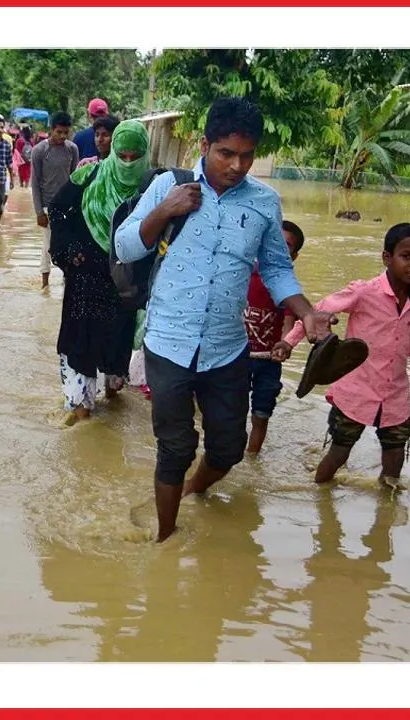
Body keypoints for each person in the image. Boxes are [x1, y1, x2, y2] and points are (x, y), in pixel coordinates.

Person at [113, 97, 335, 543]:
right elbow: (123, 247)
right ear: (204, 144)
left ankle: (194, 490)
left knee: (229, 448)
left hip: (226, 347)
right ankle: (165, 539)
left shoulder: (264, 203)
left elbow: (275, 269)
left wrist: (307, 313)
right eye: (226, 153)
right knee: (175, 447)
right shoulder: (167, 187)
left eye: (247, 155)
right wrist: (165, 210)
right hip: (169, 343)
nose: (237, 165)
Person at [281, 222, 410, 490]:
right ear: (387, 258)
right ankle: (318, 497)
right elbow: (315, 313)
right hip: (356, 392)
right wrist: (288, 343)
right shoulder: (364, 292)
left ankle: (385, 515)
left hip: (394, 395)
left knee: (395, 457)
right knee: (339, 453)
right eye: (407, 256)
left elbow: (406, 339)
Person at [48, 120, 151, 425]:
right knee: (81, 342)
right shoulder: (88, 174)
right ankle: (81, 409)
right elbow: (58, 209)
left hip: (124, 283)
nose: (128, 163)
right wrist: (69, 252)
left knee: (116, 342)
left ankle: (113, 393)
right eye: (123, 156)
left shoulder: (152, 187)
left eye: (135, 157)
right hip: (86, 278)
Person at [244, 220, 306, 455]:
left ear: (294, 255)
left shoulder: (288, 288)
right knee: (230, 410)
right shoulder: (244, 274)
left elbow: (289, 323)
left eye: (287, 246)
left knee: (261, 414)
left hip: (268, 361)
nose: (279, 248)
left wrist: (285, 345)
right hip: (235, 357)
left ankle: (252, 457)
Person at [30, 111, 79, 289]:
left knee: (69, 244)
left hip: (67, 206)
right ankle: (45, 284)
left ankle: (68, 280)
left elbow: (75, 178)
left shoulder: (72, 149)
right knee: (48, 246)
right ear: (51, 130)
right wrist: (38, 212)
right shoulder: (40, 150)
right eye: (59, 132)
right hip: (47, 205)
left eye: (66, 133)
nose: (62, 136)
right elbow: (34, 183)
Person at [0, 120, 14, 223]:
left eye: (1, 127)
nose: (0, 130)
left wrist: (12, 179)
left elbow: (9, 163)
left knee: (0, 205)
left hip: (2, 178)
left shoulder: (7, 145)